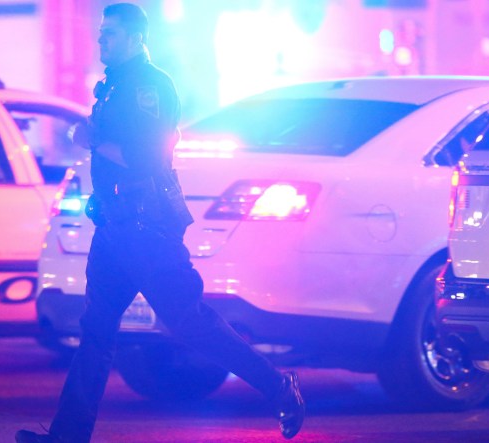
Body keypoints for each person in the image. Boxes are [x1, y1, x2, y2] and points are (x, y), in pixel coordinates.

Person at [16, 3, 304, 442]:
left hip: (147, 230)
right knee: (95, 334)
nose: (101, 40)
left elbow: (145, 156)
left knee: (189, 323)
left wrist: (94, 138)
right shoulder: (115, 87)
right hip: (114, 230)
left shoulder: (151, 87)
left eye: (110, 33)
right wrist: (95, 139)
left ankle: (279, 387)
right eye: (101, 32)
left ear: (134, 37)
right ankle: (65, 438)